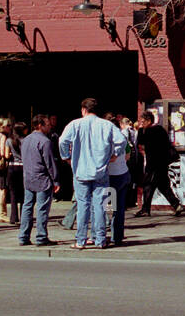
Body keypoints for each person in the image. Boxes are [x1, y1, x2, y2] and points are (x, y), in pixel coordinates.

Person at [59, 97, 121, 249]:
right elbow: (121, 141)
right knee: (100, 205)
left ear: (83, 110)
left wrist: (66, 156)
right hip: (100, 170)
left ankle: (81, 240)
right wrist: (114, 154)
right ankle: (100, 240)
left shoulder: (75, 124)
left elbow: (62, 141)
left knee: (83, 206)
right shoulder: (106, 125)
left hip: (80, 171)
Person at [19, 115, 60, 246]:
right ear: (40, 125)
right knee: (42, 208)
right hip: (42, 178)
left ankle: (23, 236)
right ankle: (41, 236)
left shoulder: (25, 140)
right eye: (47, 124)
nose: (49, 126)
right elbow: (49, 163)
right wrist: (56, 180)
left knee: (27, 207)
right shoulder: (45, 141)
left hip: (29, 177)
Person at [135, 110, 182, 216]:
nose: (141, 123)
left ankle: (145, 210)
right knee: (163, 186)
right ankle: (176, 205)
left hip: (153, 164)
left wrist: (141, 131)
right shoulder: (161, 129)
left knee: (148, 185)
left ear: (149, 121)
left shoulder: (145, 131)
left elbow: (141, 145)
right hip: (163, 163)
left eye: (143, 121)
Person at [106, 113, 132, 246]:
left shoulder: (107, 138)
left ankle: (102, 234)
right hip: (123, 174)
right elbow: (128, 155)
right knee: (119, 208)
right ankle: (117, 236)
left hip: (110, 176)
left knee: (105, 207)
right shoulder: (122, 137)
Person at [7, 122, 27, 225]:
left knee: (13, 193)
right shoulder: (26, 141)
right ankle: (24, 216)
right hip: (23, 167)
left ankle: (13, 217)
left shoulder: (9, 141)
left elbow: (6, 155)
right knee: (23, 193)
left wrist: (11, 154)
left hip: (12, 166)